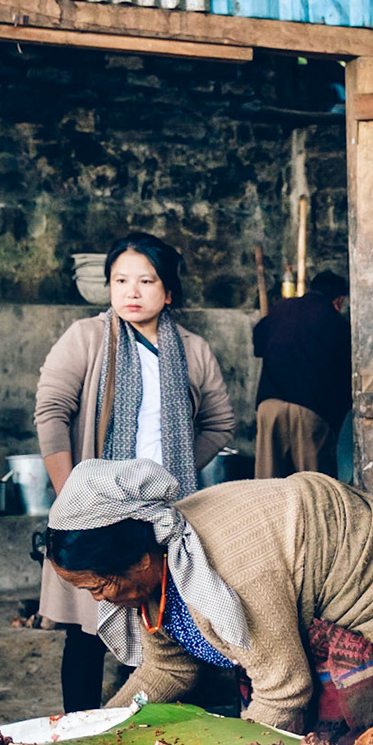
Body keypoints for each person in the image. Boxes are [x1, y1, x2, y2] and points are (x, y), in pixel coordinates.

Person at [45, 459, 373, 736]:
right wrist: (101, 727)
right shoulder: (157, 570)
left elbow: (284, 689)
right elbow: (170, 668)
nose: (101, 602)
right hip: (300, 600)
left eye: (99, 587)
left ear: (140, 561)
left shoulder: (228, 569)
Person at [35, 232, 235, 714]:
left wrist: (174, 477)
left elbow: (220, 422)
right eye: (120, 279)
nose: (132, 291)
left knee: (161, 622)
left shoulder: (191, 349)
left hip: (162, 513)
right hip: (95, 509)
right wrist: (71, 497)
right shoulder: (86, 338)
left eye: (146, 280)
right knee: (86, 629)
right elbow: (51, 412)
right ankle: (81, 728)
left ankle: (154, 730)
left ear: (168, 291)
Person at [253, 270, 352, 478]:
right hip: (310, 412)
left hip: (269, 408)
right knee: (314, 487)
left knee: (268, 483)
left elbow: (258, 344)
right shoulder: (337, 322)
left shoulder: (281, 309)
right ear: (339, 300)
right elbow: (345, 376)